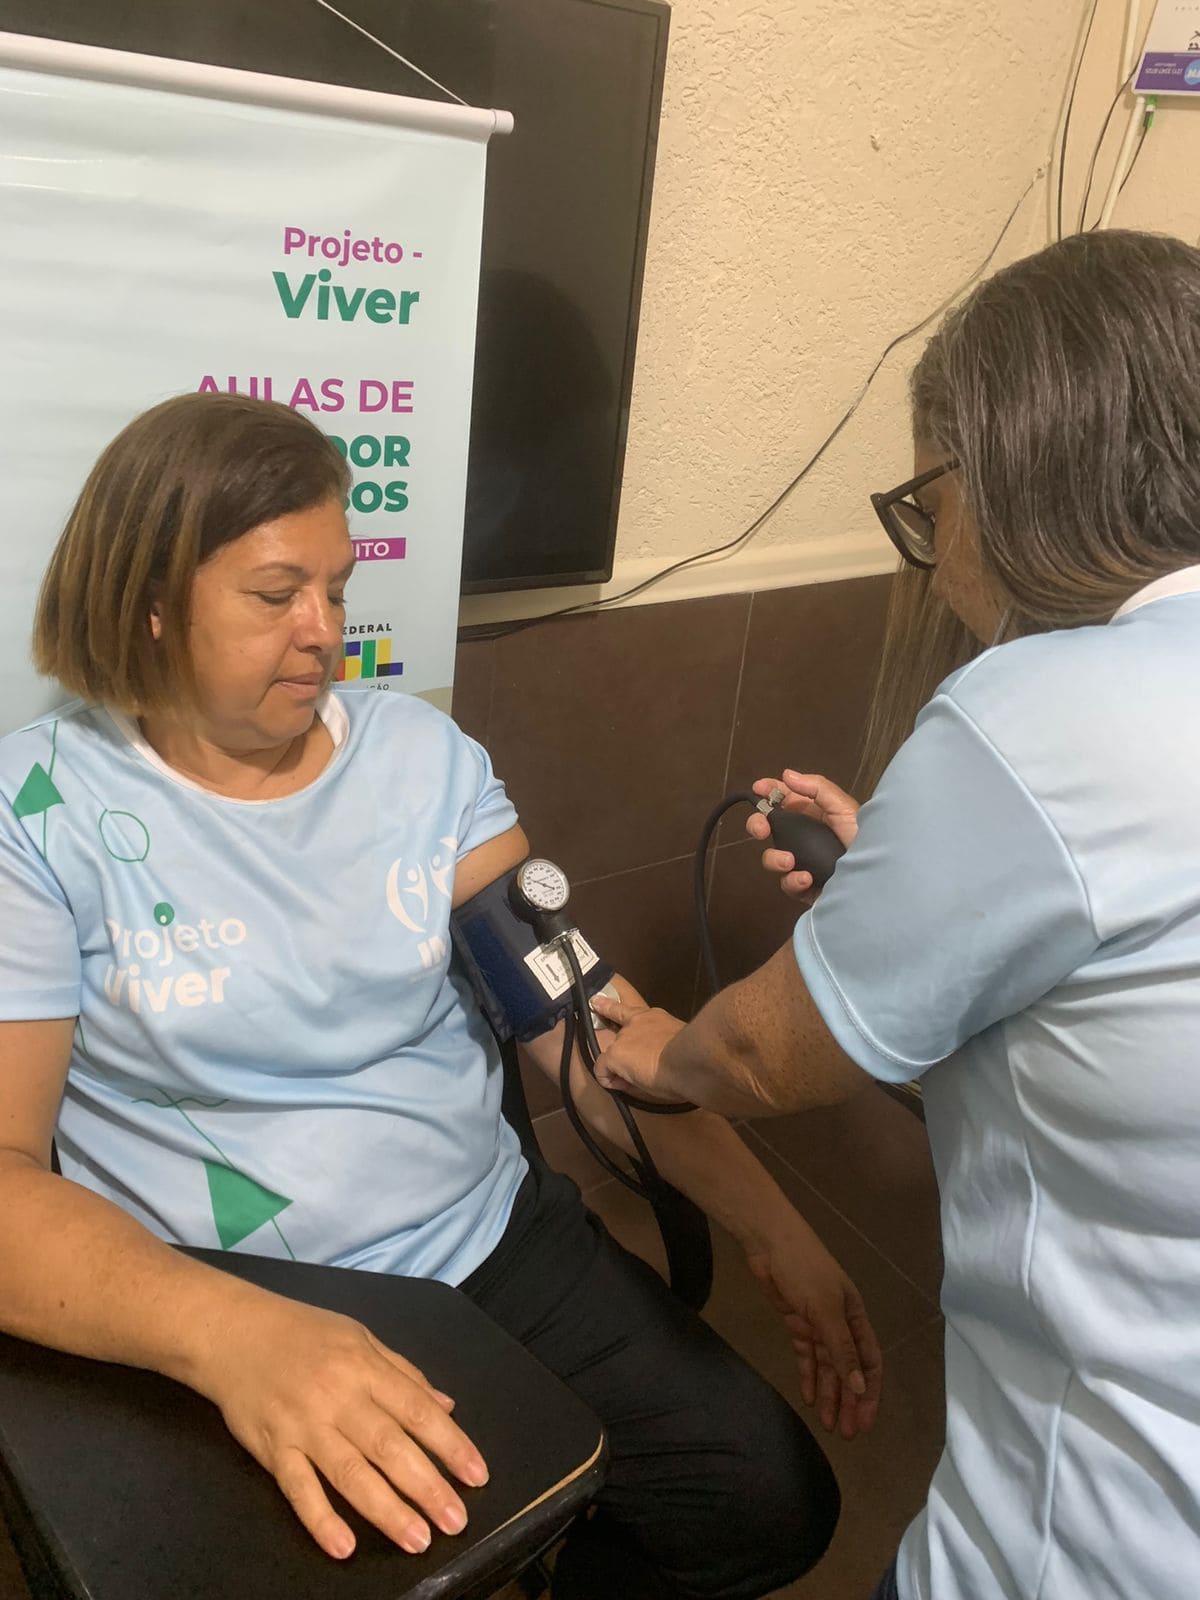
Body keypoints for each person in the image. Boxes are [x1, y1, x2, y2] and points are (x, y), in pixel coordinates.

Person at [0, 391, 883, 1600]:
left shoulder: (424, 767)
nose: (323, 632)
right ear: (149, 601)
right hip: (218, 1289)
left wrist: (776, 1230)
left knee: (769, 1502)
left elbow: (585, 1027)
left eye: (337, 588)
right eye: (276, 594)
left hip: (485, 1243)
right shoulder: (38, 814)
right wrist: (231, 1334)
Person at [593, 228, 1200, 1600]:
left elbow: (762, 1055)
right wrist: (919, 884)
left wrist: (661, 1053)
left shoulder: (1042, 713)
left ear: (1010, 472)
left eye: (931, 498)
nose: (931, 554)